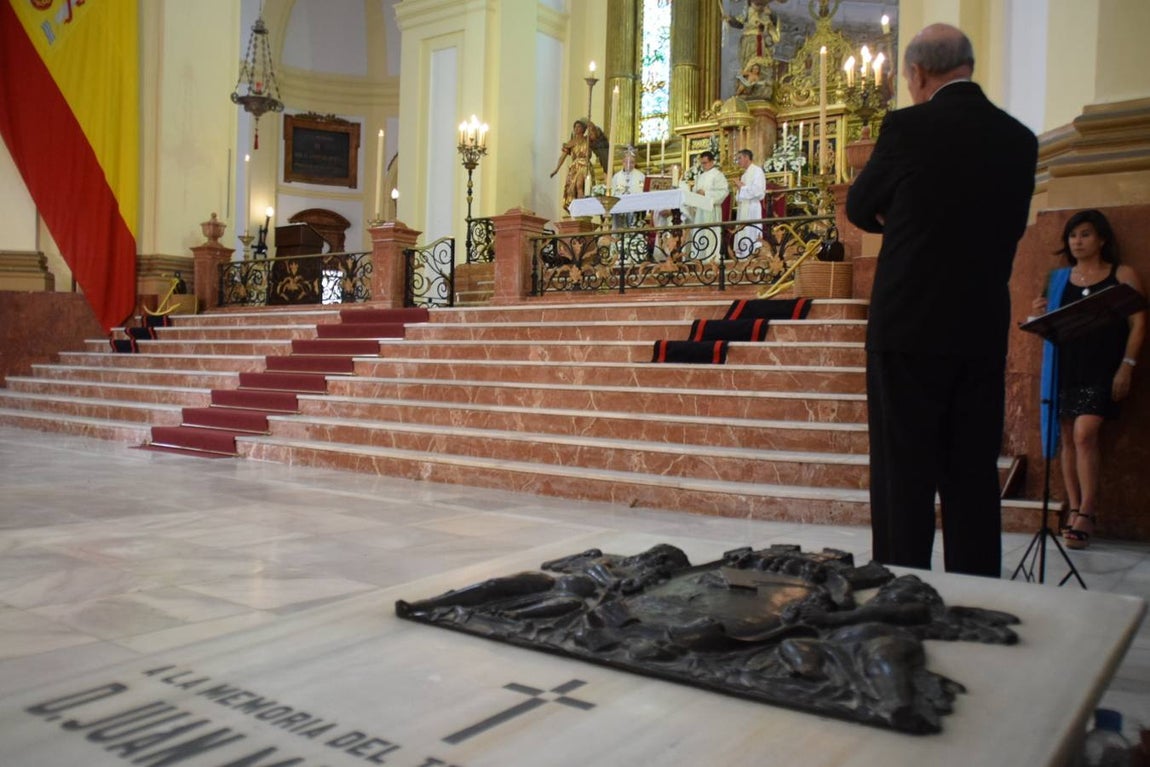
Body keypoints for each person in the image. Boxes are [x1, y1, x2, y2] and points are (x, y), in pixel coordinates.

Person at [845, 24, 1038, 577]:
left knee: (903, 477)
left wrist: (902, 216)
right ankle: (978, 594)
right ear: (968, 67)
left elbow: (860, 206)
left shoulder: (908, 128)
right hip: (979, 325)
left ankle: (902, 593)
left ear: (917, 73)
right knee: (972, 475)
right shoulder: (1018, 139)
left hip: (908, 325)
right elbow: (1009, 224)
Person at [1033, 210, 1145, 550]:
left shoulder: (1121, 274)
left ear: (1102, 239)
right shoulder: (1058, 280)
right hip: (1066, 368)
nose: (1077, 241)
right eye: (1072, 235)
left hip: (1105, 368)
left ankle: (1088, 511)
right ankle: (1074, 507)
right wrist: (1038, 315)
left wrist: (1127, 365)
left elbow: (1138, 323)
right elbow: (1049, 331)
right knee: (1068, 437)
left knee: (1084, 433)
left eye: (1084, 234)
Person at [687, 151, 729, 261]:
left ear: (712, 162)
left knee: (710, 233)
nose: (703, 165)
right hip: (700, 210)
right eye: (702, 163)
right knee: (699, 233)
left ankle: (711, 258)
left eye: (705, 163)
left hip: (711, 209)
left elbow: (723, 192)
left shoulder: (718, 175)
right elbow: (695, 190)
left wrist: (706, 193)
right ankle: (699, 258)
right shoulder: (700, 176)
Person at [550, 119, 593, 213]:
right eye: (575, 127)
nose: (577, 128)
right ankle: (576, 210)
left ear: (583, 129)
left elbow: (594, 133)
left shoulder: (587, 139)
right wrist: (556, 169)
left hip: (584, 165)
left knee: (579, 185)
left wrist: (590, 124)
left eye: (579, 126)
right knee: (572, 191)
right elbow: (562, 157)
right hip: (574, 167)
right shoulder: (570, 143)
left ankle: (582, 209)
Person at [732, 149, 766, 256]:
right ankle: (743, 255)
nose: (738, 161)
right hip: (743, 208)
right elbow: (740, 196)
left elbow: (758, 191)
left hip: (752, 207)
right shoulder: (744, 175)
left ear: (747, 157)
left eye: (739, 158)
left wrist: (742, 187)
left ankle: (753, 253)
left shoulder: (757, 171)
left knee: (751, 230)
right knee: (743, 231)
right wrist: (739, 189)